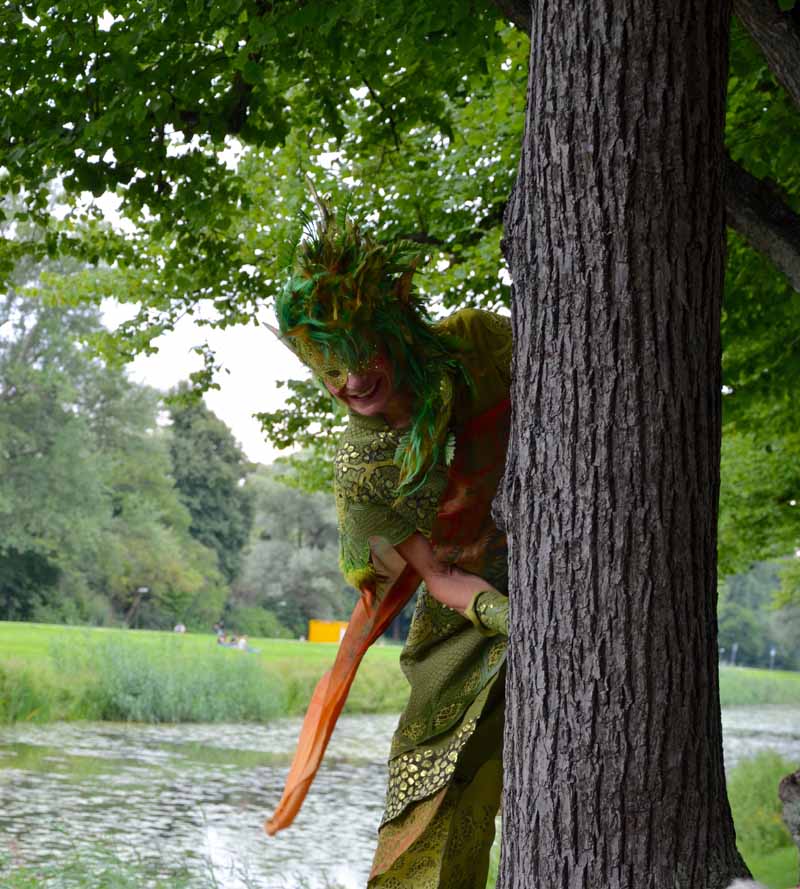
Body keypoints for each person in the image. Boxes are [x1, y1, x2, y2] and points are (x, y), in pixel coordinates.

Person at [266, 202, 510, 888]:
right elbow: (436, 577)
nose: (349, 382)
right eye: (329, 370)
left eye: (358, 356)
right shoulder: (362, 466)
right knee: (427, 787)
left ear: (393, 329)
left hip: (570, 565)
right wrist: (511, 617)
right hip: (465, 619)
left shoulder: (479, 345)